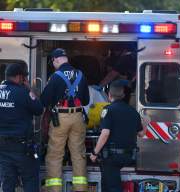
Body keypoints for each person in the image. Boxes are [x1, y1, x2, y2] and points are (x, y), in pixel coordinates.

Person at [40, 48, 90, 192]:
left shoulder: (56, 76)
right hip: (78, 117)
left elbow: (44, 101)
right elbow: (86, 101)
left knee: (55, 154)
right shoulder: (81, 75)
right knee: (78, 153)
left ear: (56, 60)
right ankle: (80, 189)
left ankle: (54, 189)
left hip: (60, 118)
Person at [90, 79, 149, 192]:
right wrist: (145, 122)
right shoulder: (133, 112)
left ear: (109, 95)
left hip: (112, 157)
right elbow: (141, 134)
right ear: (124, 95)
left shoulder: (108, 110)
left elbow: (105, 133)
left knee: (112, 187)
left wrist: (94, 153)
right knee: (107, 185)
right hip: (128, 156)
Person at [0, 63, 43, 192]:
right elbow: (39, 109)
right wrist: (29, 89)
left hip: (2, 148)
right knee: (30, 179)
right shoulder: (23, 92)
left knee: (8, 181)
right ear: (20, 77)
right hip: (22, 147)